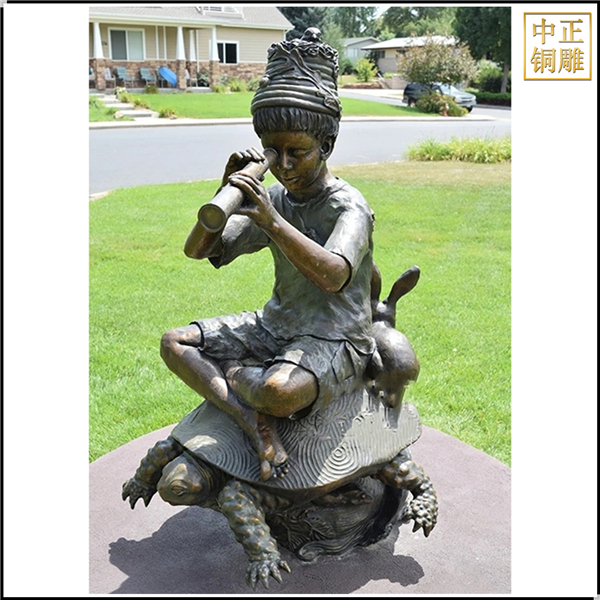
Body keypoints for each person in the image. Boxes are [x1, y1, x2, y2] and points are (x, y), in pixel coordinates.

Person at [160, 29, 375, 481]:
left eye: (299, 153)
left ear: (327, 146)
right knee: (175, 342)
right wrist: (226, 191)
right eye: (275, 153)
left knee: (278, 390)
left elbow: (333, 275)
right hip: (276, 326)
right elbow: (198, 250)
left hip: (335, 337)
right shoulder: (275, 198)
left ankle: (239, 380)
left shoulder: (348, 206)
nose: (285, 166)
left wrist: (273, 222)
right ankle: (249, 418)